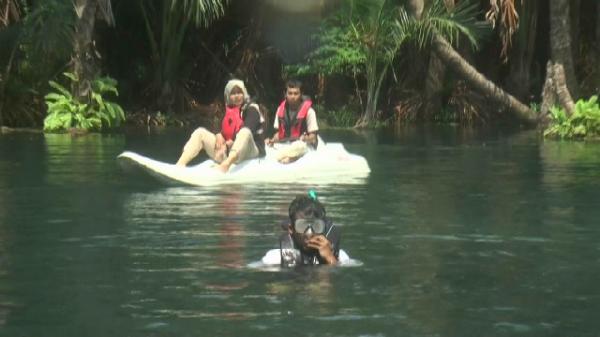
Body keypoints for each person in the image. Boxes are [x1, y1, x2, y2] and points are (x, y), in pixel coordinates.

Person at [176, 79, 265, 172]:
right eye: (233, 93)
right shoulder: (228, 111)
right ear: (228, 96)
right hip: (227, 151)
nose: (237, 96)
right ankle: (180, 164)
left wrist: (227, 145)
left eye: (239, 92)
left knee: (245, 132)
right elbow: (221, 128)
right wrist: (218, 135)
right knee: (200, 132)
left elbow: (248, 127)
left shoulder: (252, 109)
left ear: (244, 93)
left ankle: (225, 165)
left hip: (251, 151)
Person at [261, 192, 350, 266]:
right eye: (302, 226)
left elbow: (331, 285)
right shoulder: (274, 259)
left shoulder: (342, 258)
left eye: (317, 226)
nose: (309, 233)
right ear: (291, 229)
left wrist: (330, 258)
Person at [265, 79, 319, 163]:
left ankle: (286, 157)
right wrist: (271, 140)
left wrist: (305, 138)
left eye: (296, 93)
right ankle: (288, 156)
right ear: (285, 94)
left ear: (301, 94)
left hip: (303, 145)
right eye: (290, 93)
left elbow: (313, 137)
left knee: (299, 145)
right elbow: (279, 134)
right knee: (267, 144)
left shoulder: (309, 111)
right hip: (287, 143)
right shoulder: (280, 110)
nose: (293, 96)